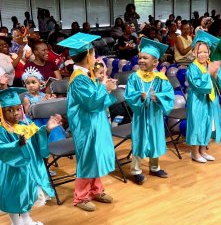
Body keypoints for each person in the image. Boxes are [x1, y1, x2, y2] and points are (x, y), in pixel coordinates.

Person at [57, 32, 117, 211]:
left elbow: (98, 102)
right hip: (85, 126)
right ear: (87, 56)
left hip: (94, 123)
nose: (95, 57)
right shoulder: (78, 79)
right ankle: (81, 197)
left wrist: (104, 87)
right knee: (86, 159)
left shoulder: (87, 75)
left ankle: (96, 190)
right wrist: (105, 88)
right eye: (93, 54)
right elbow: (91, 103)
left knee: (95, 156)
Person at [0, 87, 62, 225]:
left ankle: (26, 220)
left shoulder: (24, 124)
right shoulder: (2, 129)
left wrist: (46, 129)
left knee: (26, 193)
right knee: (14, 196)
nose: (15, 113)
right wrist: (16, 144)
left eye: (17, 109)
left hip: (28, 168)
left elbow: (36, 139)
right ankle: (15, 222)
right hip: (11, 170)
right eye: (9, 110)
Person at [124, 37, 175, 184]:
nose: (141, 60)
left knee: (155, 138)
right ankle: (136, 170)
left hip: (155, 114)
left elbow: (168, 94)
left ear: (155, 62)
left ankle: (155, 167)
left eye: (145, 58)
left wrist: (156, 96)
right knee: (139, 140)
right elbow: (129, 94)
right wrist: (140, 96)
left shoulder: (160, 78)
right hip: (140, 115)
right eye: (139, 57)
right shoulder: (134, 77)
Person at [186, 30, 221, 163]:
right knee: (197, 124)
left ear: (209, 52)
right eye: (199, 52)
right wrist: (208, 73)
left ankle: (203, 150)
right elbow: (197, 85)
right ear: (194, 53)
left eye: (205, 51)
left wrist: (215, 74)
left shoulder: (211, 64)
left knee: (209, 124)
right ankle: (194, 152)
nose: (202, 54)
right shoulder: (193, 67)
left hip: (211, 99)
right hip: (198, 100)